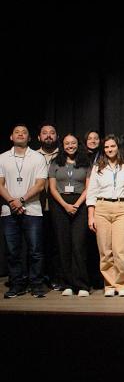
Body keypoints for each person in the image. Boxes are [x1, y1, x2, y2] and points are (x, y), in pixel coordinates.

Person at [0, 125, 48, 298]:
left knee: (35, 250)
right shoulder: (2, 158)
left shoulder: (37, 157)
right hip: (8, 210)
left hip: (32, 210)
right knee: (13, 251)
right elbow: (0, 184)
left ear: (29, 138)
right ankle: (17, 284)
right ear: (11, 137)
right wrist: (12, 201)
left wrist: (21, 200)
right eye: (17, 132)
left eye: (24, 132)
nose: (20, 134)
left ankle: (36, 284)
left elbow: (40, 184)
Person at [86, 135, 124, 297]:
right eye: (106, 147)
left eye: (112, 146)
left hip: (122, 208)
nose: (110, 149)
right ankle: (110, 285)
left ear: (118, 147)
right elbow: (91, 193)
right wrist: (91, 216)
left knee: (121, 251)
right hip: (102, 208)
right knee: (105, 251)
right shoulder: (98, 167)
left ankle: (123, 284)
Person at [47, 133, 91, 296]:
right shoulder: (55, 162)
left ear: (77, 144)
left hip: (80, 204)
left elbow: (88, 187)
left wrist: (77, 204)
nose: (70, 146)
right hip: (60, 205)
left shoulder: (86, 162)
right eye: (67, 143)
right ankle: (67, 284)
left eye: (73, 143)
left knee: (78, 245)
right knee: (63, 244)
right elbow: (52, 188)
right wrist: (65, 205)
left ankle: (82, 285)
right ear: (63, 145)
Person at [37, 123, 60, 289]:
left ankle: (56, 277)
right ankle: (39, 278)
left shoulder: (63, 155)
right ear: (39, 137)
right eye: (44, 133)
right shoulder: (32, 155)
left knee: (57, 245)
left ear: (57, 136)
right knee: (38, 245)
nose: (48, 135)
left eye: (52, 132)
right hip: (37, 207)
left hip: (58, 207)